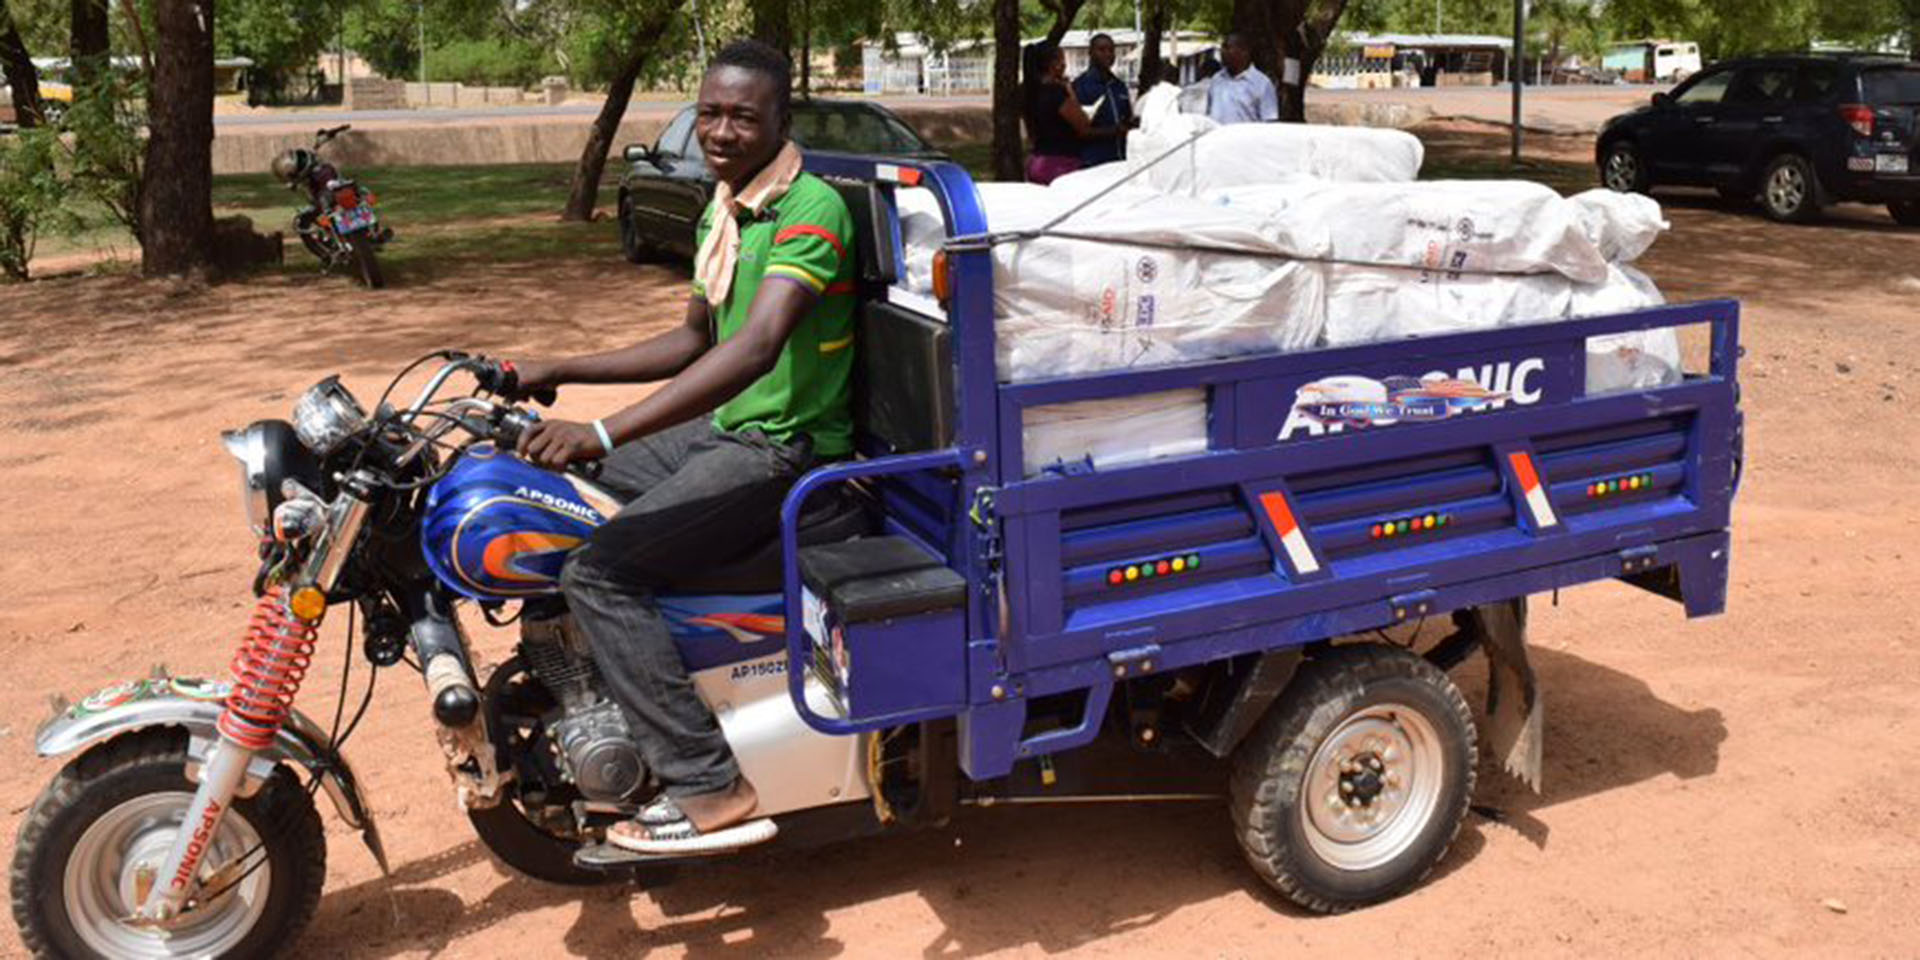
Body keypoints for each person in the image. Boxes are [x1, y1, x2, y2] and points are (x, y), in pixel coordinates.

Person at [504, 38, 855, 855]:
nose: (722, 132)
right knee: (565, 491)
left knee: (600, 571)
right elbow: (694, 337)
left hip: (785, 447)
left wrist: (602, 427)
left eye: (743, 116)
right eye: (709, 113)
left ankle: (708, 784)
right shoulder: (726, 210)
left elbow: (756, 347)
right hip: (731, 429)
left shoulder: (811, 210)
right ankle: (606, 683)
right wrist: (562, 369)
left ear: (780, 121)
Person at [1021, 42, 1122, 185]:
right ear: (1054, 64)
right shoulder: (1057, 92)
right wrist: (1069, 90)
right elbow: (1084, 126)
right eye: (1062, 59)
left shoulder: (1029, 92)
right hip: (1060, 164)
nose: (1064, 65)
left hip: (1037, 160)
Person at [1071, 32, 1134, 167]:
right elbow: (1079, 130)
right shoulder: (1080, 87)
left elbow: (1127, 119)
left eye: (1111, 50)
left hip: (1121, 159)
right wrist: (1115, 131)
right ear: (1091, 53)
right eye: (1102, 50)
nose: (1108, 54)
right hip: (1093, 161)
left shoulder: (1119, 86)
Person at [1207, 33, 1279, 124]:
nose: (1222, 51)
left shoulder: (1262, 84)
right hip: (1219, 137)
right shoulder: (1217, 79)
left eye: (1227, 47)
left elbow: (1269, 121)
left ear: (1244, 51)